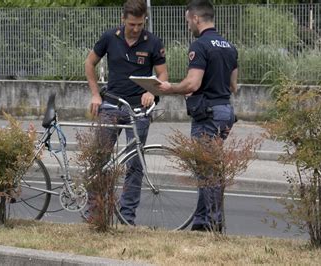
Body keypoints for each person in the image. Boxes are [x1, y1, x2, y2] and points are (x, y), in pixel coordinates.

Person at [156, 0, 238, 232]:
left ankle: (213, 224)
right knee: (208, 168)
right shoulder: (229, 46)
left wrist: (170, 88)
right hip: (225, 112)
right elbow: (233, 85)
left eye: (187, 20)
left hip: (208, 115)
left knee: (208, 171)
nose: (188, 25)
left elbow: (193, 82)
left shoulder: (199, 45)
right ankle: (202, 223)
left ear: (196, 18)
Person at [84, 0, 168, 225]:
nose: (136, 28)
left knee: (134, 164)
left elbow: (163, 77)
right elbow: (89, 63)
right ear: (123, 20)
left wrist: (152, 91)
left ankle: (127, 216)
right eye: (132, 24)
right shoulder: (110, 37)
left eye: (140, 24)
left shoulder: (153, 42)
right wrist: (95, 95)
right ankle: (95, 212)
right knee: (99, 159)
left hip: (139, 111)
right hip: (110, 106)